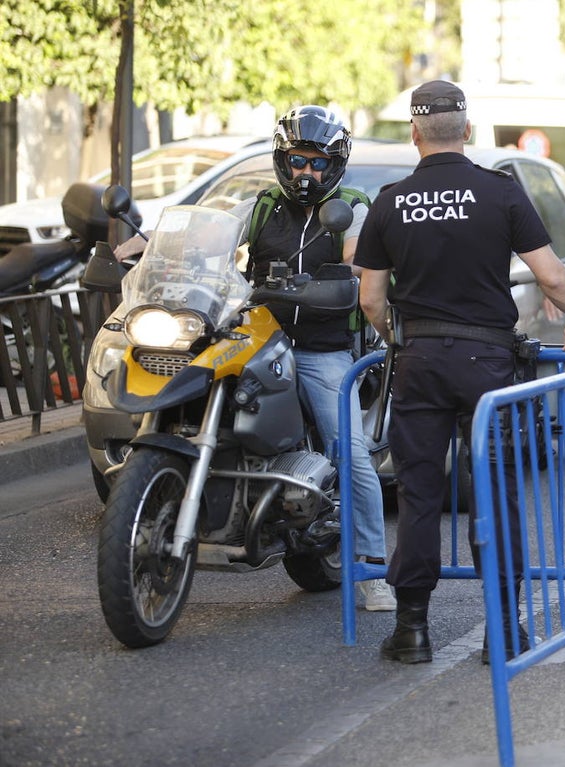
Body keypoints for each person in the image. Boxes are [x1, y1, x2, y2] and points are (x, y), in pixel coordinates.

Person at [354, 80, 565, 664]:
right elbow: (553, 277)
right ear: (466, 130)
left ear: (414, 133)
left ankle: (413, 631)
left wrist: (397, 340)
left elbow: (370, 299)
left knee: (419, 494)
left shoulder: (390, 200)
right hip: (488, 364)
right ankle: (504, 631)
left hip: (419, 361)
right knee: (496, 492)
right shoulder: (500, 194)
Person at [115, 106, 396, 612]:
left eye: (314, 163)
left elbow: (358, 262)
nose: (303, 173)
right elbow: (200, 238)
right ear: (280, 160)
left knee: (350, 451)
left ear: (333, 165)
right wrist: (138, 247)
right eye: (295, 161)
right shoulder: (263, 206)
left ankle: (372, 569)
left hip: (321, 348)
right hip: (256, 333)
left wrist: (339, 279)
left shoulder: (352, 206)